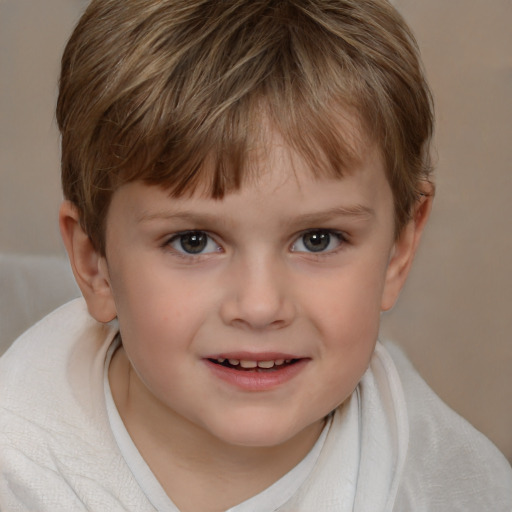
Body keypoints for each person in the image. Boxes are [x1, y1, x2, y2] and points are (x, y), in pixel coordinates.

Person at [1, 0, 511, 510]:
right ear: (95, 265)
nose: (261, 306)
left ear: (398, 250)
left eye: (318, 239)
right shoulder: (18, 466)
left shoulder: (449, 482)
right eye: (194, 241)